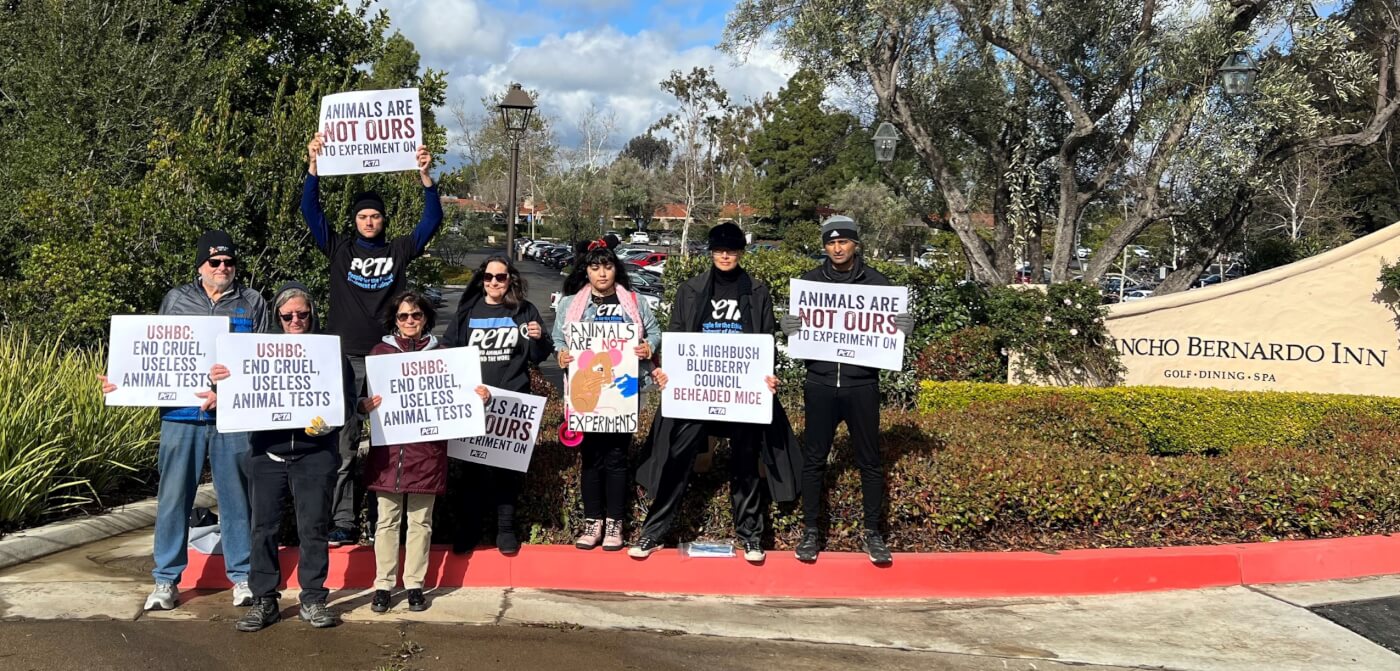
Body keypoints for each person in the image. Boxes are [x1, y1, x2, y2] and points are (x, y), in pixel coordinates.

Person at [98, 230, 267, 610]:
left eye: (229, 261)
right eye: (215, 262)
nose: (223, 268)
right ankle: (165, 580)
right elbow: (152, 354)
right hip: (180, 417)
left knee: (237, 499)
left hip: (231, 417)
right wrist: (121, 382)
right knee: (173, 498)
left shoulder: (253, 302)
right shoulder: (176, 299)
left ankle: (242, 576)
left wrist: (226, 393)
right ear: (200, 266)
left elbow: (262, 362)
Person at [629, 223, 802, 563]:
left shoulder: (757, 290)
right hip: (696, 391)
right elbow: (676, 336)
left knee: (746, 461)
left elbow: (766, 342)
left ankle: (751, 536)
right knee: (676, 459)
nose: (725, 255)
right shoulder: (690, 290)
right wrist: (665, 372)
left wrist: (770, 377)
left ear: (741, 252)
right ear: (710, 251)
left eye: (732, 250)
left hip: (742, 393)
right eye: (720, 249)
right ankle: (653, 531)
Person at [302, 133, 444, 547]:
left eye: (375, 216)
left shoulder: (399, 250)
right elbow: (310, 211)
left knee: (393, 440)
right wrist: (313, 166)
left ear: (383, 220)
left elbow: (430, 222)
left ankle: (382, 520)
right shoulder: (340, 249)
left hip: (391, 358)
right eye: (363, 216)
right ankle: (343, 520)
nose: (369, 221)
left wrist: (425, 178)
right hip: (346, 357)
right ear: (356, 221)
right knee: (345, 444)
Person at [781, 215, 913, 565]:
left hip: (862, 384)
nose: (837, 248)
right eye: (830, 242)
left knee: (870, 461)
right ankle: (811, 531)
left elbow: (891, 333)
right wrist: (788, 326)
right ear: (824, 246)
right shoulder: (810, 283)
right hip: (820, 383)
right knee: (814, 461)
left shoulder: (879, 284)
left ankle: (873, 533)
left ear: (856, 243)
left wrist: (904, 328)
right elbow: (795, 333)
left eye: (844, 242)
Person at [360, 291, 490, 613]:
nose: (409, 322)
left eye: (415, 316)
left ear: (425, 318)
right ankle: (383, 586)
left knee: (421, 522)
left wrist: (479, 398)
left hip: (427, 454)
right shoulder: (379, 353)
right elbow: (366, 402)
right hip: (389, 456)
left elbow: (460, 399)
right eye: (403, 316)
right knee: (386, 522)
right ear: (395, 320)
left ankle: (415, 584)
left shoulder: (444, 355)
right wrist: (364, 407)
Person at [551, 241, 661, 551]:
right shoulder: (570, 304)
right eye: (595, 267)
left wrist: (648, 347)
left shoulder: (635, 303)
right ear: (586, 270)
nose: (602, 273)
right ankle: (592, 522)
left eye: (608, 266)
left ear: (616, 269)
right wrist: (561, 353)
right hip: (586, 393)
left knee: (616, 457)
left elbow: (653, 331)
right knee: (591, 457)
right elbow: (559, 338)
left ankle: (615, 524)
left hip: (623, 393)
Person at [442, 256, 554, 555]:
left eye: (500, 277)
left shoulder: (525, 310)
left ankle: (506, 529)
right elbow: (449, 351)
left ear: (510, 280)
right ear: (481, 279)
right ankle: (469, 529)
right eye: (489, 277)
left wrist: (540, 338)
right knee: (472, 472)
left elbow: (539, 355)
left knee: (507, 472)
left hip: (511, 401)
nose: (494, 282)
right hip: (474, 402)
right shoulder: (467, 310)